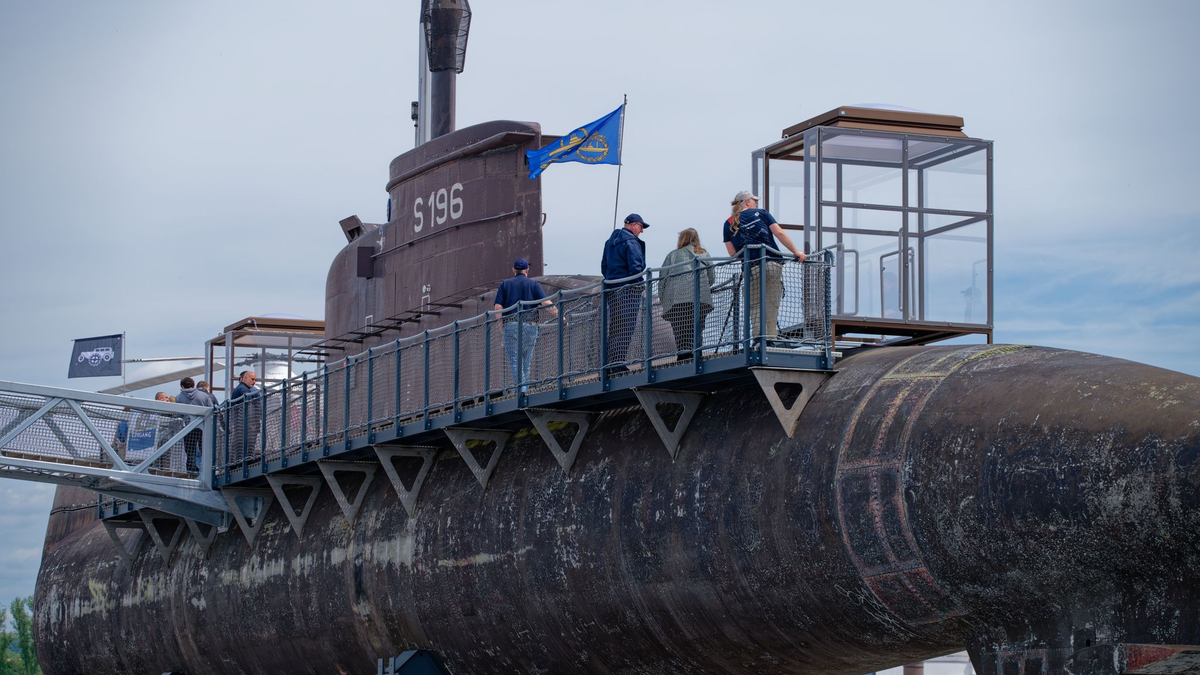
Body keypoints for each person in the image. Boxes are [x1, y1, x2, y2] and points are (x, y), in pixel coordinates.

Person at [723, 191, 805, 338]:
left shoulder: (728, 222)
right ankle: (770, 338)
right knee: (771, 302)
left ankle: (758, 338)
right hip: (771, 263)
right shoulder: (762, 213)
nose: (756, 203)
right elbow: (779, 233)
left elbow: (732, 253)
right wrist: (796, 251)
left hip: (751, 268)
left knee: (755, 304)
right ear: (747, 202)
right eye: (754, 201)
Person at [493, 258, 556, 393]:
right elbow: (546, 303)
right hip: (530, 325)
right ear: (527, 270)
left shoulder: (505, 284)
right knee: (526, 363)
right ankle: (524, 391)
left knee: (515, 362)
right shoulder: (534, 285)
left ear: (513, 270)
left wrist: (500, 325)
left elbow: (498, 307)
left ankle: (521, 392)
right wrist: (560, 316)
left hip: (511, 325)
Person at [601, 213, 649, 372]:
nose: (642, 231)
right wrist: (639, 286)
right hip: (628, 291)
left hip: (612, 290)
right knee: (626, 326)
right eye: (641, 226)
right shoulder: (631, 241)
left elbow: (604, 267)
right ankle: (618, 363)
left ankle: (609, 365)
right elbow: (636, 267)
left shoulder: (609, 242)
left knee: (616, 327)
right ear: (633, 225)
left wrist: (613, 280)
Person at [660, 228, 716, 354]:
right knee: (697, 328)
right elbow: (711, 277)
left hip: (676, 299)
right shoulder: (704, 254)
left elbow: (662, 279)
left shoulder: (672, 255)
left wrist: (663, 300)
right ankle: (697, 355)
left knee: (680, 330)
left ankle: (683, 356)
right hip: (700, 297)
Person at [176, 376, 216, 473]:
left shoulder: (179, 397)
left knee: (190, 451)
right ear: (193, 385)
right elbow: (211, 410)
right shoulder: (204, 396)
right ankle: (206, 471)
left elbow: (178, 414)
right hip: (203, 426)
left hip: (188, 427)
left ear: (182, 386)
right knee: (204, 450)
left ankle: (191, 471)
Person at [230, 370, 262, 464]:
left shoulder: (239, 389)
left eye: (255, 380)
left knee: (239, 443)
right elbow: (250, 407)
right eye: (252, 379)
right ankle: (246, 460)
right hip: (246, 423)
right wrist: (253, 422)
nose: (254, 382)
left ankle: (238, 462)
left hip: (240, 422)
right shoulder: (245, 390)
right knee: (248, 442)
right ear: (245, 378)